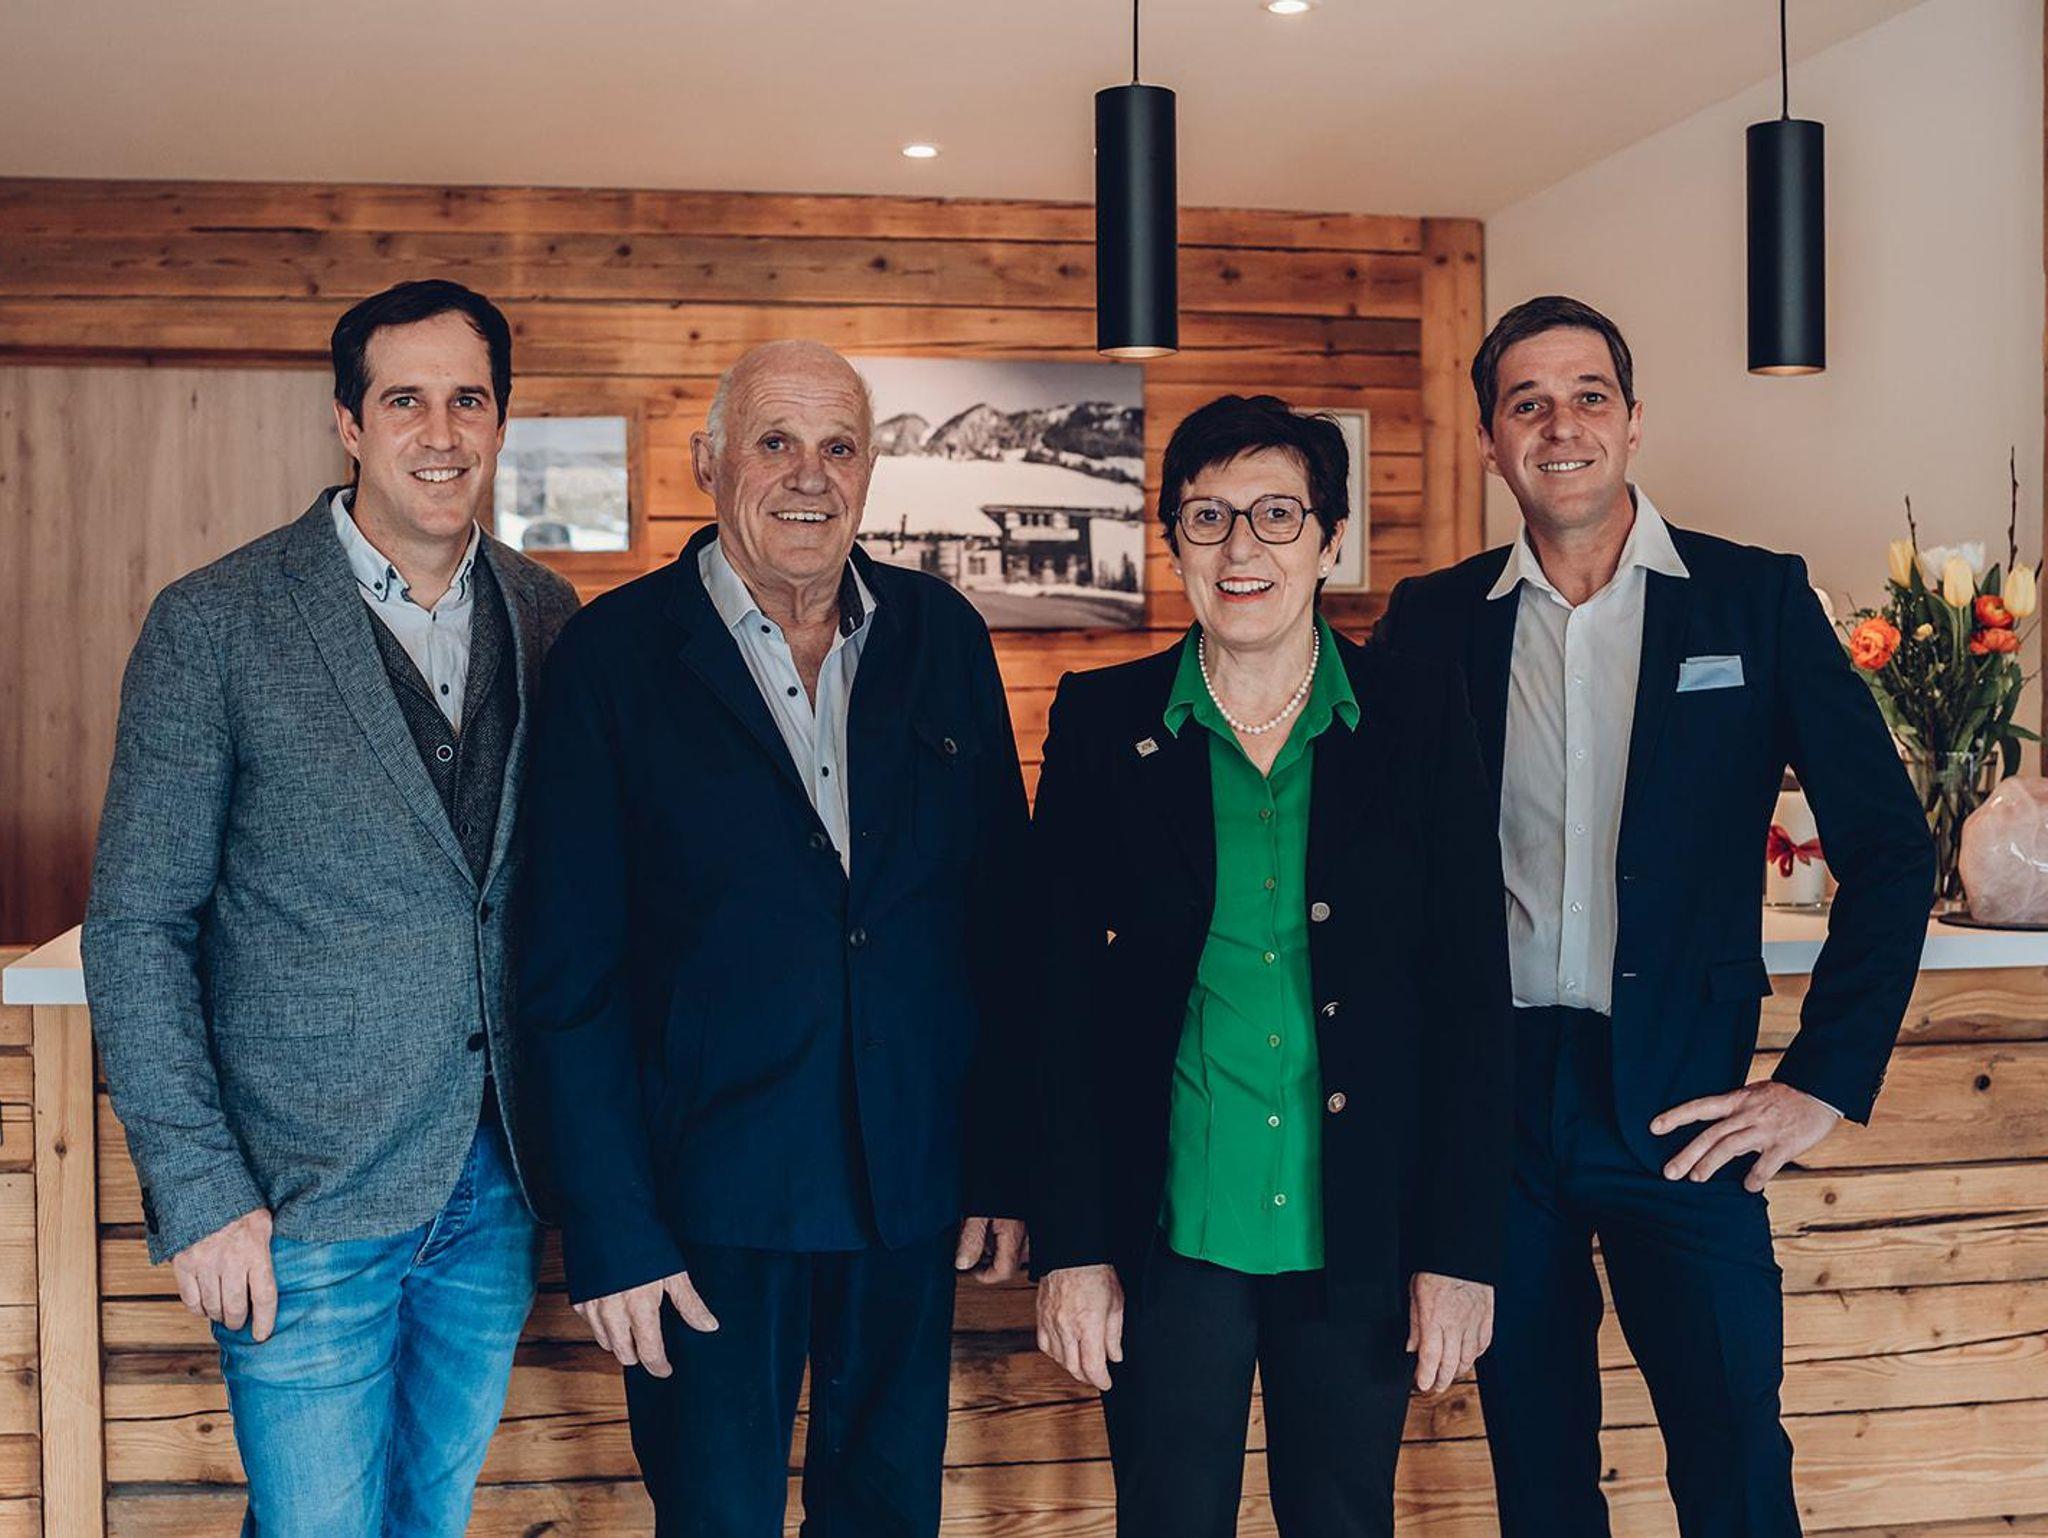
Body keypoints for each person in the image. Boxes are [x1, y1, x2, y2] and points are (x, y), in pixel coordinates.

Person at [1373, 295, 1935, 1535]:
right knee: (1537, 1476)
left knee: (1733, 1465)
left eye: (1586, 396)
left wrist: (1820, 1081)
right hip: (1493, 1109)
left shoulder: (1753, 600)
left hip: (1685, 1106)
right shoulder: (1430, 622)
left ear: (1631, 422)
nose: (1558, 425)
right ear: (1489, 441)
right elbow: (1367, 863)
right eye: (1525, 403)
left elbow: (1892, 853)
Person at [81, 279, 581, 1535]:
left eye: (468, 400)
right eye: (404, 401)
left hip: (494, 1184)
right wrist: (200, 1189)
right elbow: (139, 924)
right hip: (295, 1196)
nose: (440, 433)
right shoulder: (214, 622)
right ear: (349, 424)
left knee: (430, 1517)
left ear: (500, 419)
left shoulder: (547, 614)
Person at [517, 339, 1032, 1536]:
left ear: (870, 471)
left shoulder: (940, 634)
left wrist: (1004, 1161)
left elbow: (997, 920)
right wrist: (611, 1226)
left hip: (905, 1192)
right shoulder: (611, 656)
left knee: (888, 1515)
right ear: (708, 462)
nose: (810, 475)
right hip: (703, 1207)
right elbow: (566, 973)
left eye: (839, 446)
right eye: (775, 442)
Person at [1031, 394, 1514, 1536]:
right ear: (1175, 543)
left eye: (1276, 514)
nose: (1240, 546)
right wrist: (1071, 1247)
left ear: (1329, 540)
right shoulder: (1102, 721)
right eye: (1207, 517)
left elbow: (1469, 994)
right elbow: (1050, 1000)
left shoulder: (1415, 714)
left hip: (1359, 1228)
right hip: (1169, 1235)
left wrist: (1460, 1251)